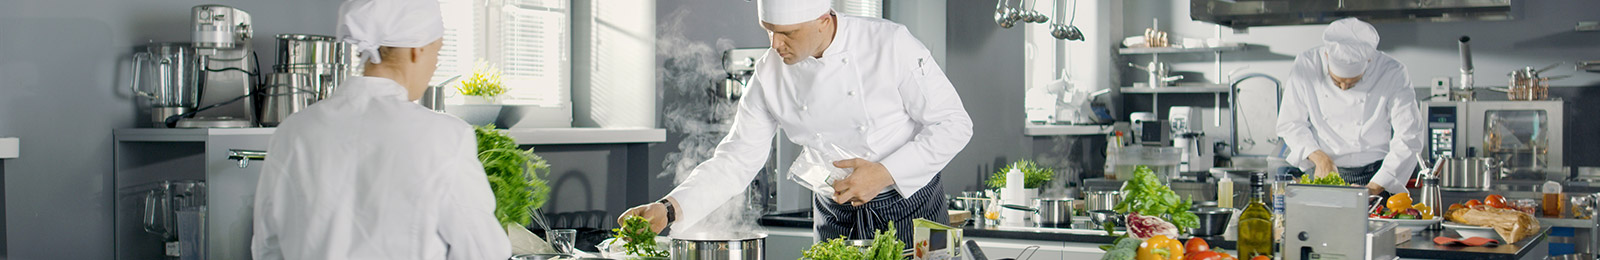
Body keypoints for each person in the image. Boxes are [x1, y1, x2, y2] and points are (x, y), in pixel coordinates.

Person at [619, 0, 972, 244]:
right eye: (768, 30)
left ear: (823, 20)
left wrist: (884, 172)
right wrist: (668, 209)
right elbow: (735, 161)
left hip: (910, 208)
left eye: (788, 33)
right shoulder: (769, 75)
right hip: (835, 215)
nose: (775, 45)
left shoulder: (890, 44)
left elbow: (954, 124)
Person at [250, 0, 511, 259]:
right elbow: (483, 252)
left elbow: (268, 246)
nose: (435, 65)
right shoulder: (445, 137)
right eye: (437, 51)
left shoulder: (292, 132)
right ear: (417, 50)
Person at [1276, 17, 1425, 196]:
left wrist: (1376, 186)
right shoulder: (1307, 64)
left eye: (1353, 83)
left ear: (1369, 61)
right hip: (1323, 172)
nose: (1345, 87)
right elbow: (1290, 123)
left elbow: (1409, 135)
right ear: (1326, 56)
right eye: (1338, 82)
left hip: (1374, 175)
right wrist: (1320, 158)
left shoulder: (1392, 72)